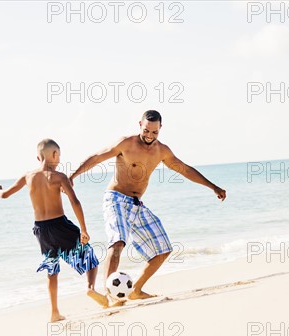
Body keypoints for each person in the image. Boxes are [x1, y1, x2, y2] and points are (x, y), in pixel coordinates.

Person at [69, 110, 227, 303]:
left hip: (137, 205)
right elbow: (96, 158)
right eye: (146, 131)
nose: (150, 136)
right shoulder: (126, 143)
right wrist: (72, 177)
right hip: (116, 199)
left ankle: (135, 290)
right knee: (118, 242)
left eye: (155, 132)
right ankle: (110, 294)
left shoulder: (162, 151)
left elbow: (184, 170)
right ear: (140, 125)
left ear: (160, 129)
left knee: (163, 250)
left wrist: (213, 186)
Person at [0, 138, 108, 322]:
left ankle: (54, 312)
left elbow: (5, 194)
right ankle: (90, 288)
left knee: (52, 269)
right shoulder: (59, 177)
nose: (59, 159)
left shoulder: (27, 177)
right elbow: (74, 202)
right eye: (59, 155)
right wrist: (84, 229)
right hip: (60, 225)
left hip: (41, 229)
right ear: (54, 155)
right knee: (89, 257)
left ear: (38, 158)